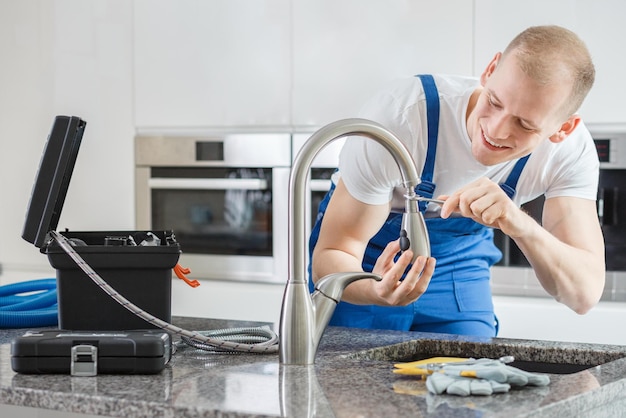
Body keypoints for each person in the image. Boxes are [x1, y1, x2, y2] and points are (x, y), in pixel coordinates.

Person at [308, 25, 605, 337]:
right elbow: (332, 254)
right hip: (368, 262)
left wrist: (519, 223)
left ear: (563, 129)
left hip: (458, 264)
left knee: (470, 378)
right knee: (346, 375)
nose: (496, 130)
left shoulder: (569, 154)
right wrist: (375, 290)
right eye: (494, 101)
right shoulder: (402, 117)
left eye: (525, 124)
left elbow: (583, 295)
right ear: (490, 70)